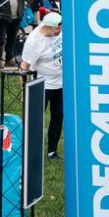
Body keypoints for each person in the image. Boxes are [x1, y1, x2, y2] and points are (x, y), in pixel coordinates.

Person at [19, 11, 64, 159]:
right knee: (36, 119)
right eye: (57, 29)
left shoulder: (59, 33)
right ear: (48, 27)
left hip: (61, 83)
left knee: (58, 116)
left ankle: (52, 150)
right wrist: (23, 91)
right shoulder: (34, 41)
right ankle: (31, 152)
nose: (60, 31)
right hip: (42, 85)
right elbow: (24, 67)